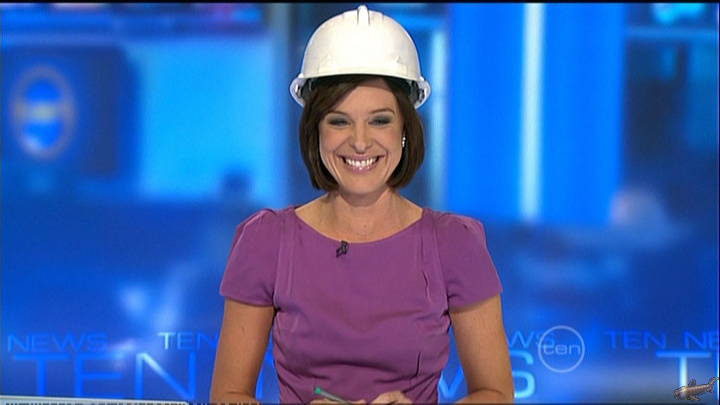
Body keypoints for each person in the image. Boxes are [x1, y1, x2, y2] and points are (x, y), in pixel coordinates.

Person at [210, 4, 514, 404]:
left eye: (379, 120)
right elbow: (228, 395)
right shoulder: (265, 241)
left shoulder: (455, 243)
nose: (359, 142)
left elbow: (496, 394)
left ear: (405, 129)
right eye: (339, 121)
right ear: (315, 131)